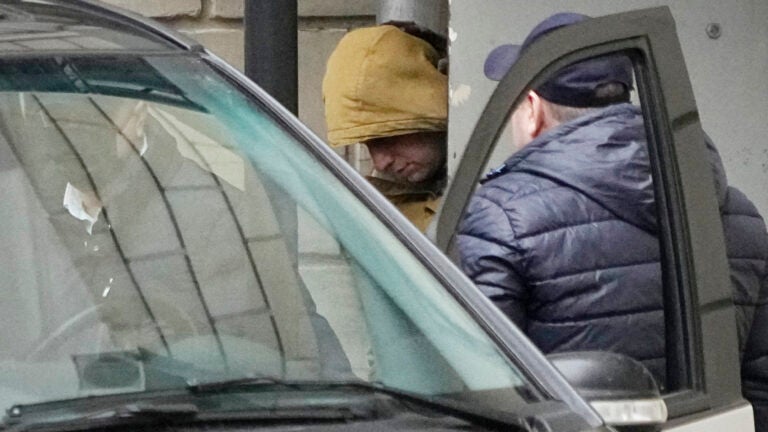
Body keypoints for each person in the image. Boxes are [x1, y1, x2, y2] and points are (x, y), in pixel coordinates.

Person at [456, 11, 768, 426]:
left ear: (531, 108)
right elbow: (760, 387)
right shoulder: (740, 216)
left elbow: (472, 391)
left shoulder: (499, 219)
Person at [322, 24, 448, 232]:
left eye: (388, 137)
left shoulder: (493, 191)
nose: (380, 163)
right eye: (368, 144)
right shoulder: (375, 210)